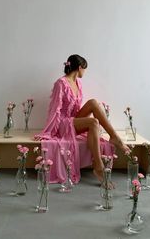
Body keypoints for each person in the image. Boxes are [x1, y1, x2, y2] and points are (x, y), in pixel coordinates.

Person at [35, 54, 130, 184]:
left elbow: (76, 109)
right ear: (80, 67)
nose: (85, 72)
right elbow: (55, 109)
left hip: (73, 120)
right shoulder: (60, 84)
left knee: (93, 102)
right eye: (84, 69)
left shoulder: (78, 83)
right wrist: (50, 131)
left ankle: (114, 136)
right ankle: (98, 167)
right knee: (93, 122)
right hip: (63, 124)